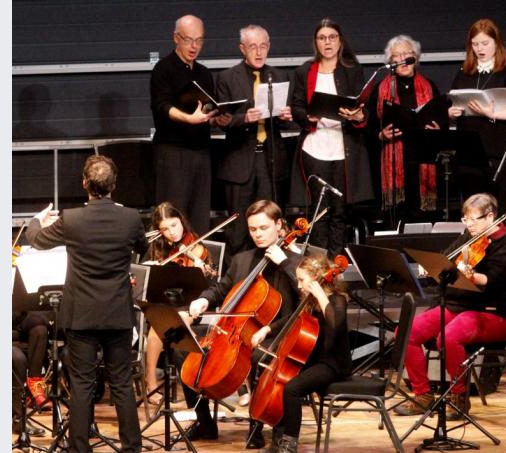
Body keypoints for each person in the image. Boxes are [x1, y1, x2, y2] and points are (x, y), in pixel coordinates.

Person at [25, 155, 149, 453]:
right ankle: (131, 447)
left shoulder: (72, 219)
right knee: (121, 383)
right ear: (114, 185)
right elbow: (142, 249)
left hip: (81, 314)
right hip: (118, 313)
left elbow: (37, 240)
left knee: (81, 384)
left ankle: (79, 448)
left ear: (84, 183)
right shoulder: (131, 217)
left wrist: (35, 221)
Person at [394, 193, 506, 420]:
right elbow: (446, 257)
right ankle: (423, 395)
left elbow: (493, 281)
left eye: (473, 220)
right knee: (405, 332)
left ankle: (459, 397)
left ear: (491, 216)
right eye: (466, 220)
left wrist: (473, 277)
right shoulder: (469, 236)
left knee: (449, 337)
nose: (469, 225)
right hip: (460, 306)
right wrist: (433, 268)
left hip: (495, 313)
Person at [182, 200, 299, 448]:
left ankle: (265, 424)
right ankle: (204, 422)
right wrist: (204, 300)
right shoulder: (242, 259)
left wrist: (286, 263)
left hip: (280, 332)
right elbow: (220, 288)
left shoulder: (295, 260)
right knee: (184, 347)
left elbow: (302, 304)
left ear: (279, 225)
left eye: (264, 228)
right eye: (253, 229)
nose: (257, 234)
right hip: (238, 330)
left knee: (259, 357)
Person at [290, 18, 374, 257]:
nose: (327, 42)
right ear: (315, 42)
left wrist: (357, 115)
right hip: (315, 148)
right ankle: (318, 263)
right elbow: (296, 107)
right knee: (319, 211)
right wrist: (308, 117)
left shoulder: (352, 70)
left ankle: (336, 264)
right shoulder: (304, 70)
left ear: (340, 41)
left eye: (332, 37)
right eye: (322, 38)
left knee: (339, 210)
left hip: (342, 148)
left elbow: (363, 109)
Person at [259, 254, 352, 452]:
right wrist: (267, 329)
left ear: (318, 279)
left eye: (302, 280)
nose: (299, 285)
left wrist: (320, 294)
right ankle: (278, 440)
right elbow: (293, 319)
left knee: (292, 389)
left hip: (333, 364)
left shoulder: (337, 300)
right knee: (281, 381)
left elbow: (335, 325)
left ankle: (289, 444)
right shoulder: (309, 302)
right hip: (315, 359)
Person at [216, 24, 294, 257]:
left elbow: (286, 123)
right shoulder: (227, 77)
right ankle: (239, 282)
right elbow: (220, 118)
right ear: (242, 49)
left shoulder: (279, 76)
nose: (259, 52)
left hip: (271, 159)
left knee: (271, 223)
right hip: (240, 160)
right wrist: (244, 118)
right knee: (239, 228)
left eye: (263, 46)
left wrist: (285, 117)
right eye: (252, 47)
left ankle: (272, 280)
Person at [150, 14, 231, 234]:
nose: (194, 46)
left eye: (199, 40)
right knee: (172, 216)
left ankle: (197, 263)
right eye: (188, 39)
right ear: (176, 38)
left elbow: (207, 109)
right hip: (173, 152)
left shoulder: (204, 73)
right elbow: (161, 106)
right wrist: (188, 118)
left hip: (201, 152)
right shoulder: (163, 69)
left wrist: (216, 118)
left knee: (199, 215)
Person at [448, 19, 506, 211]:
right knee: (474, 207)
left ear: (497, 42)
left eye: (485, 43)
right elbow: (453, 100)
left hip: (502, 150)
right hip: (471, 151)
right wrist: (452, 112)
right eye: (475, 44)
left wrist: (491, 113)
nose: (479, 49)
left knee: (502, 207)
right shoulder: (464, 71)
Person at [142, 201, 215, 405]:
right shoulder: (156, 248)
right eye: (164, 229)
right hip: (166, 303)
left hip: (192, 305)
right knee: (156, 328)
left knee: (172, 322)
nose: (171, 233)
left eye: (174, 225)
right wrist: (151, 267)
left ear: (181, 221)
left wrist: (201, 269)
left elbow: (209, 285)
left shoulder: (198, 246)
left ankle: (195, 381)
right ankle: (151, 383)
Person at [367, 34, 445, 223]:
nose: (403, 59)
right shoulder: (380, 89)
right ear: (391, 61)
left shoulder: (430, 86)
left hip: (423, 159)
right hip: (393, 159)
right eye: (397, 55)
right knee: (397, 216)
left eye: (408, 54)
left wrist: (437, 129)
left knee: (422, 215)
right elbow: (367, 126)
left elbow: (441, 119)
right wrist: (380, 134)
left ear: (415, 57)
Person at [12, 311, 51, 410]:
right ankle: (28, 395)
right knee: (18, 358)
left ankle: (35, 384)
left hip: (28, 334)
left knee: (40, 329)